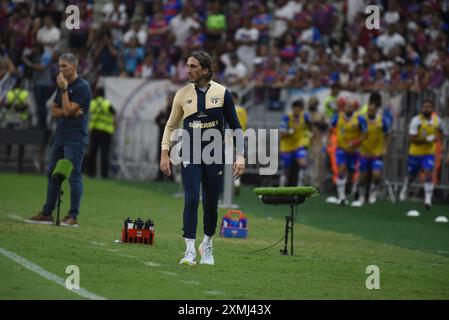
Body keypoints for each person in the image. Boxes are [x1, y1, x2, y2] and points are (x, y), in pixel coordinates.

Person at [160, 51, 245, 266]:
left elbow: (235, 126)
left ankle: (207, 244)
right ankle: (189, 250)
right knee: (190, 199)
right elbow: (171, 125)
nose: (188, 70)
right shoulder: (181, 94)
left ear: (206, 70)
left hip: (214, 154)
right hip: (189, 152)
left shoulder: (223, 93)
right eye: (187, 65)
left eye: (193, 66)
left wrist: (241, 155)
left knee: (210, 203)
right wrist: (165, 152)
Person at [25, 53, 92, 226]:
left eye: (64, 66)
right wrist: (67, 110)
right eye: (59, 66)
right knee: (52, 174)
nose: (60, 69)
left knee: (74, 176)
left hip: (75, 138)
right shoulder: (62, 84)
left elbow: (69, 111)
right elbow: (56, 111)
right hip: (60, 136)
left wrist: (64, 93)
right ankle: (47, 213)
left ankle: (73, 216)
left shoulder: (82, 87)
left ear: (74, 66)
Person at [399, 99, 443, 210]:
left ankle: (428, 199)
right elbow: (412, 138)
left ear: (432, 109)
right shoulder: (416, 121)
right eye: (424, 107)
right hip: (415, 153)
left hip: (428, 153)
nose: (426, 109)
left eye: (428, 107)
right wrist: (427, 140)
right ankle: (406, 185)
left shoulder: (437, 120)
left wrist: (439, 141)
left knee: (428, 172)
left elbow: (440, 132)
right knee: (412, 175)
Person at [351, 93, 391, 207]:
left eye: (372, 109)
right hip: (364, 152)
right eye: (369, 109)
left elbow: (388, 134)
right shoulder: (362, 120)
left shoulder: (381, 120)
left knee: (376, 175)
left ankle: (373, 192)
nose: (370, 111)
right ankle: (362, 196)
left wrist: (385, 147)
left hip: (377, 152)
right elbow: (356, 131)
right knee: (362, 176)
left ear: (376, 109)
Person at [330, 97, 368, 205]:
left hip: (354, 151)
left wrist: (356, 142)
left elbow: (365, 134)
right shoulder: (337, 117)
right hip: (341, 149)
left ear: (354, 108)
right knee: (341, 169)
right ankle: (341, 196)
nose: (349, 108)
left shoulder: (360, 119)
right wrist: (329, 140)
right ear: (344, 107)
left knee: (351, 173)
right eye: (347, 106)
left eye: (351, 106)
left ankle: (349, 191)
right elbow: (331, 127)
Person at [279, 99, 312, 187]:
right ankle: (282, 188)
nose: (297, 111)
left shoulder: (305, 117)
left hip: (298, 145)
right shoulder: (287, 117)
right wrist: (290, 131)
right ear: (293, 108)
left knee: (303, 164)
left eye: (300, 109)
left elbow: (309, 128)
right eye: (296, 109)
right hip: (286, 147)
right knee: (286, 169)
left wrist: (308, 136)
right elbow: (281, 134)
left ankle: (299, 187)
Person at [85, 87, 115, 179]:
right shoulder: (107, 103)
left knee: (92, 153)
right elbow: (114, 112)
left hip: (94, 131)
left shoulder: (92, 103)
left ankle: (90, 173)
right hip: (106, 131)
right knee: (104, 154)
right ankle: (104, 174)